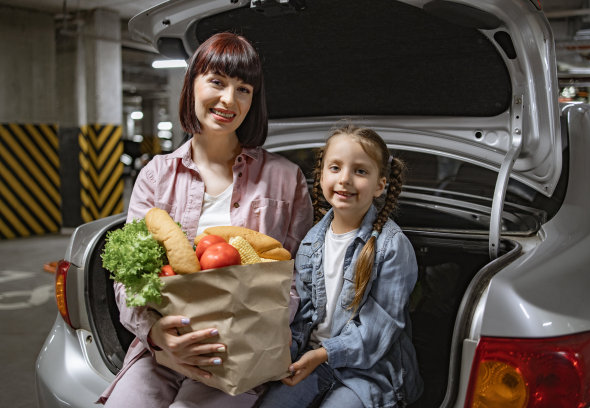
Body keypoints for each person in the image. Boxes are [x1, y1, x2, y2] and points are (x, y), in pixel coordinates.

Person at [99, 32, 313, 407]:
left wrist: (252, 325)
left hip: (241, 350)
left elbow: (297, 277)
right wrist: (156, 335)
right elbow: (128, 278)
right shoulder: (155, 176)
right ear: (192, 84)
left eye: (243, 89)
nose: (229, 100)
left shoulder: (286, 178)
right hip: (165, 350)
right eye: (217, 82)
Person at [256, 125, 423, 408]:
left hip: (370, 371)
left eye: (360, 171)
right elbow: (304, 315)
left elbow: (377, 332)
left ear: (380, 184)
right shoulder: (311, 241)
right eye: (335, 168)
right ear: (321, 176)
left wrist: (323, 354)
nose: (344, 179)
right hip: (314, 359)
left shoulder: (392, 246)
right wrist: (285, 350)